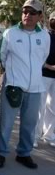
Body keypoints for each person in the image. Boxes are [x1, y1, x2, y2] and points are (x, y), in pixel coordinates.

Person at [0, 0, 50, 169]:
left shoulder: (44, 36)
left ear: (40, 16)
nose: (27, 15)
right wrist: (13, 74)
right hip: (13, 86)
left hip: (35, 87)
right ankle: (1, 153)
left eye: (32, 13)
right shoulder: (10, 33)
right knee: (6, 123)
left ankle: (23, 154)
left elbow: (43, 58)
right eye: (25, 11)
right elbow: (1, 56)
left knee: (29, 124)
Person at [34, 11, 55, 147]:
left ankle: (49, 135)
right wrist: (48, 66)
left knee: (53, 107)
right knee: (39, 107)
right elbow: (37, 56)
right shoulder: (44, 35)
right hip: (43, 75)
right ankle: (34, 136)